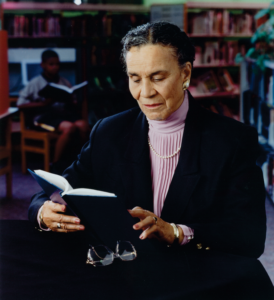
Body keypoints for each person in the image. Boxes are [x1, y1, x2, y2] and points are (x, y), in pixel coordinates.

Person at [28, 23, 274, 299]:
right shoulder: (108, 131)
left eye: (157, 77)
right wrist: (42, 211)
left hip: (198, 280)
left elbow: (250, 238)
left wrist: (177, 232)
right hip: (126, 277)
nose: (145, 93)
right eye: (135, 78)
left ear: (185, 73)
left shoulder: (233, 140)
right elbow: (58, 188)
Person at [17, 49, 90, 166]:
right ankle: (55, 163)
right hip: (42, 118)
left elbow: (73, 101)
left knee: (83, 125)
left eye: (57, 64)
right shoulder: (35, 83)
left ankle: (80, 161)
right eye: (51, 64)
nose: (55, 67)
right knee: (69, 127)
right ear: (43, 65)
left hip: (61, 114)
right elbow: (20, 104)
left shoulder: (63, 82)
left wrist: (70, 99)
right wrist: (43, 104)